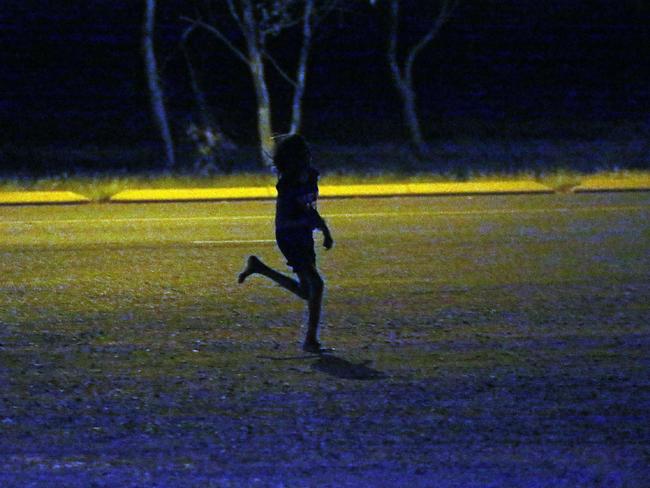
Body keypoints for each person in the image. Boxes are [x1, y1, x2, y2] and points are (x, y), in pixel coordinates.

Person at [238, 134, 334, 354]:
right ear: (295, 158)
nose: (309, 157)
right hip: (290, 236)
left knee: (307, 290)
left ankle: (259, 268)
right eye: (304, 154)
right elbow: (292, 215)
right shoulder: (287, 184)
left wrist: (325, 230)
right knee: (316, 285)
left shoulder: (311, 176)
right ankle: (310, 340)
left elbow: (310, 207)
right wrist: (313, 224)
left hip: (304, 235)